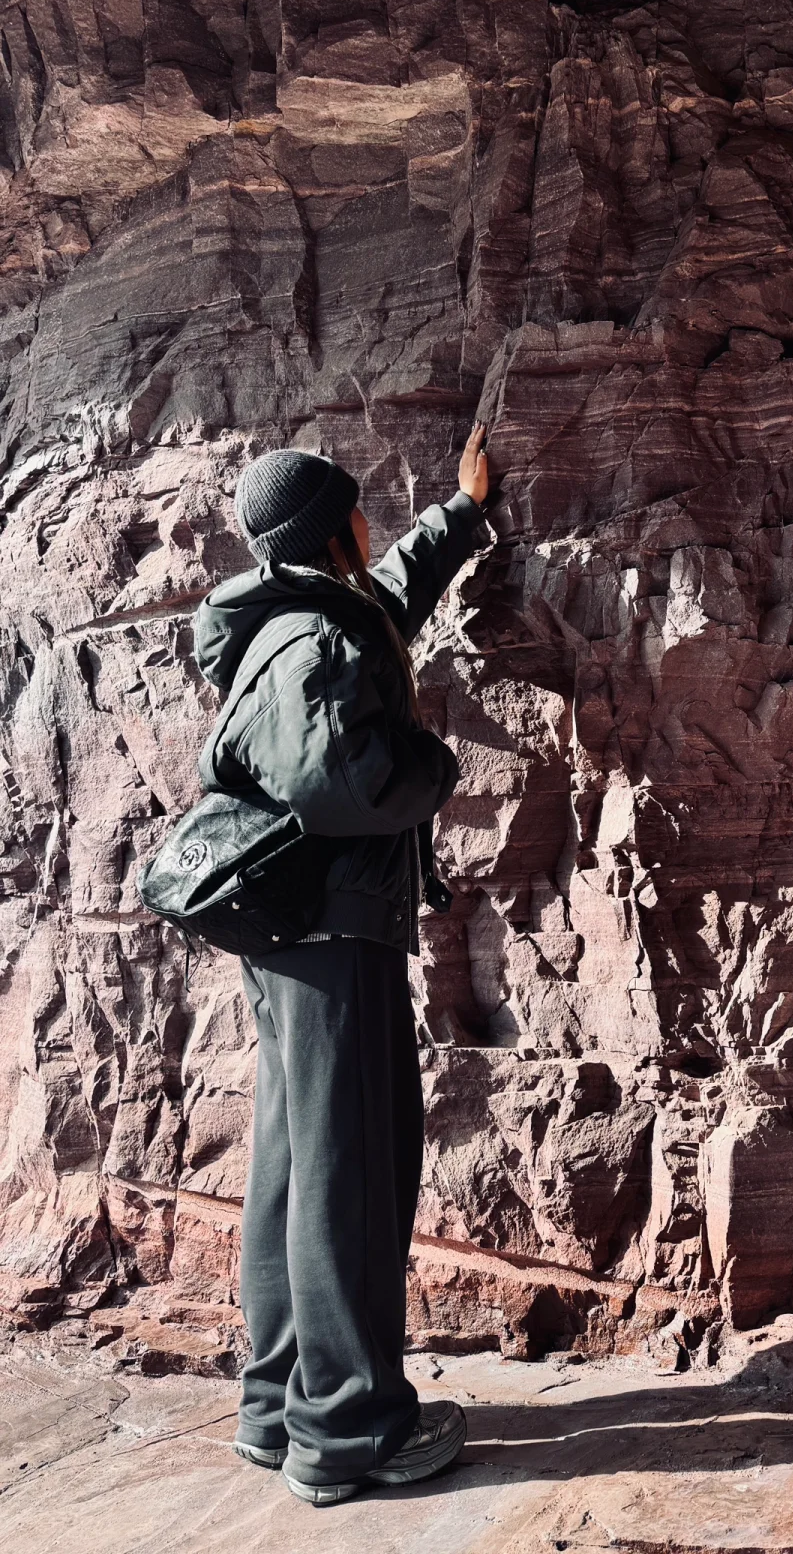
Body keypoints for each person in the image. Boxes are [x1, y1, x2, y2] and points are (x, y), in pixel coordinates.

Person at [192, 425, 490, 1507]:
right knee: (351, 1178)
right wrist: (435, 763)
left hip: (293, 942)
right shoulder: (314, 641)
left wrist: (459, 515)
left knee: (296, 1172)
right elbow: (347, 783)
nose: (371, 522)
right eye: (359, 511)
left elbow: (382, 605)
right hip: (336, 940)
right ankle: (350, 1432)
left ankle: (279, 1408)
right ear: (331, 534)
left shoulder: (298, 621)